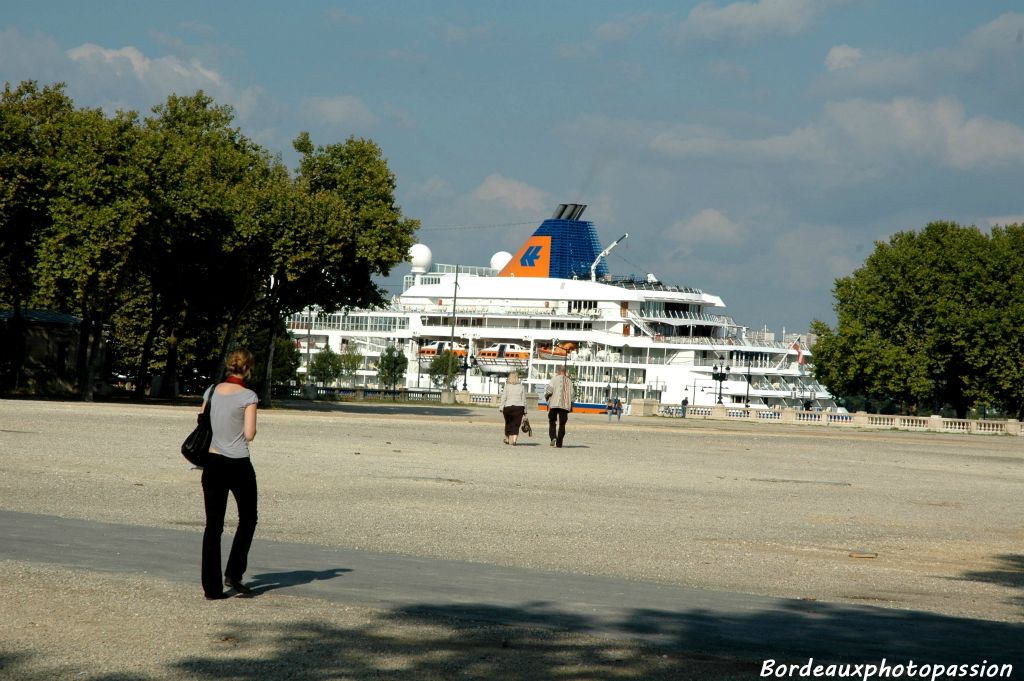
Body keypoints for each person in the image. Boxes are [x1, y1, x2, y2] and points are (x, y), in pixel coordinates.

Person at [199, 348, 260, 600]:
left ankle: (211, 588)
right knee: (248, 518)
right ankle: (234, 572)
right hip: (237, 463)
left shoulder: (211, 391)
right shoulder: (248, 395)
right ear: (248, 368)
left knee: (213, 525)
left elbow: (202, 419)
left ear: (229, 366)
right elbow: (249, 434)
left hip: (212, 461)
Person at [544, 366, 573, 448]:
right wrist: (571, 403)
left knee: (552, 421)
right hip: (565, 405)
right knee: (562, 424)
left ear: (558, 371)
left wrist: (547, 397)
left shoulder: (554, 379)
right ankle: (559, 443)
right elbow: (573, 395)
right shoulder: (569, 381)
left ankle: (553, 437)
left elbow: (549, 391)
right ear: (565, 372)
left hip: (554, 404)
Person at [498, 371, 527, 446]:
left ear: (509, 378)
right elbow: (524, 400)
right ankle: (514, 441)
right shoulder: (521, 387)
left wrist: (501, 407)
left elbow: (503, 398)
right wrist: (525, 410)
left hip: (508, 407)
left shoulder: (507, 386)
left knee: (508, 423)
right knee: (516, 424)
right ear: (517, 378)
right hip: (519, 408)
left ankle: (507, 439)